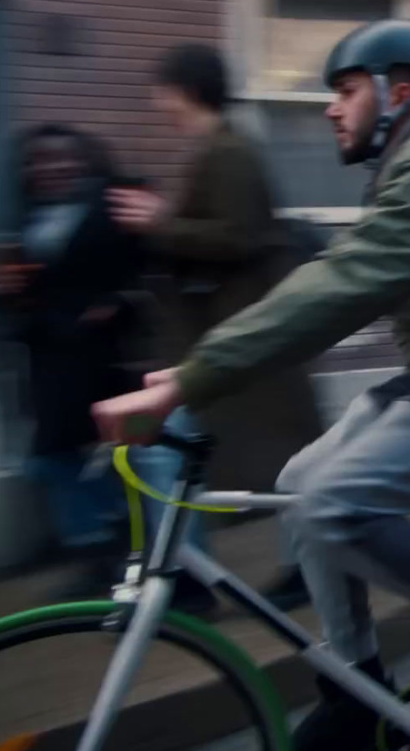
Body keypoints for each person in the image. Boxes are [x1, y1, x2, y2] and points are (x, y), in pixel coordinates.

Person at [94, 20, 410, 751]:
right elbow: (344, 273)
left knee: (339, 502)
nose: (329, 107)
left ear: (399, 92)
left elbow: (344, 285)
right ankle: (357, 686)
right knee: (302, 480)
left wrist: (192, 379)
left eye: (345, 89)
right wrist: (189, 371)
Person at [108, 43, 326, 612]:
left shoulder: (228, 151)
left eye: (163, 90)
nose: (157, 103)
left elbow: (238, 236)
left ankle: (193, 578)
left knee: (183, 450)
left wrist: (160, 223)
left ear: (185, 89)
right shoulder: (217, 148)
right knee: (189, 451)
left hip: (240, 336)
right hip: (224, 338)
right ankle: (192, 576)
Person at [0, 125, 140, 600]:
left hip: (96, 356)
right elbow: (17, 286)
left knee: (79, 456)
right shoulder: (26, 219)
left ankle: (112, 547)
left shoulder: (107, 208)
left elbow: (139, 270)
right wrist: (6, 292)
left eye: (62, 159)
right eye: (40, 161)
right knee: (53, 459)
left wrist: (113, 304)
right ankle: (104, 548)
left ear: (83, 162)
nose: (52, 168)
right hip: (47, 355)